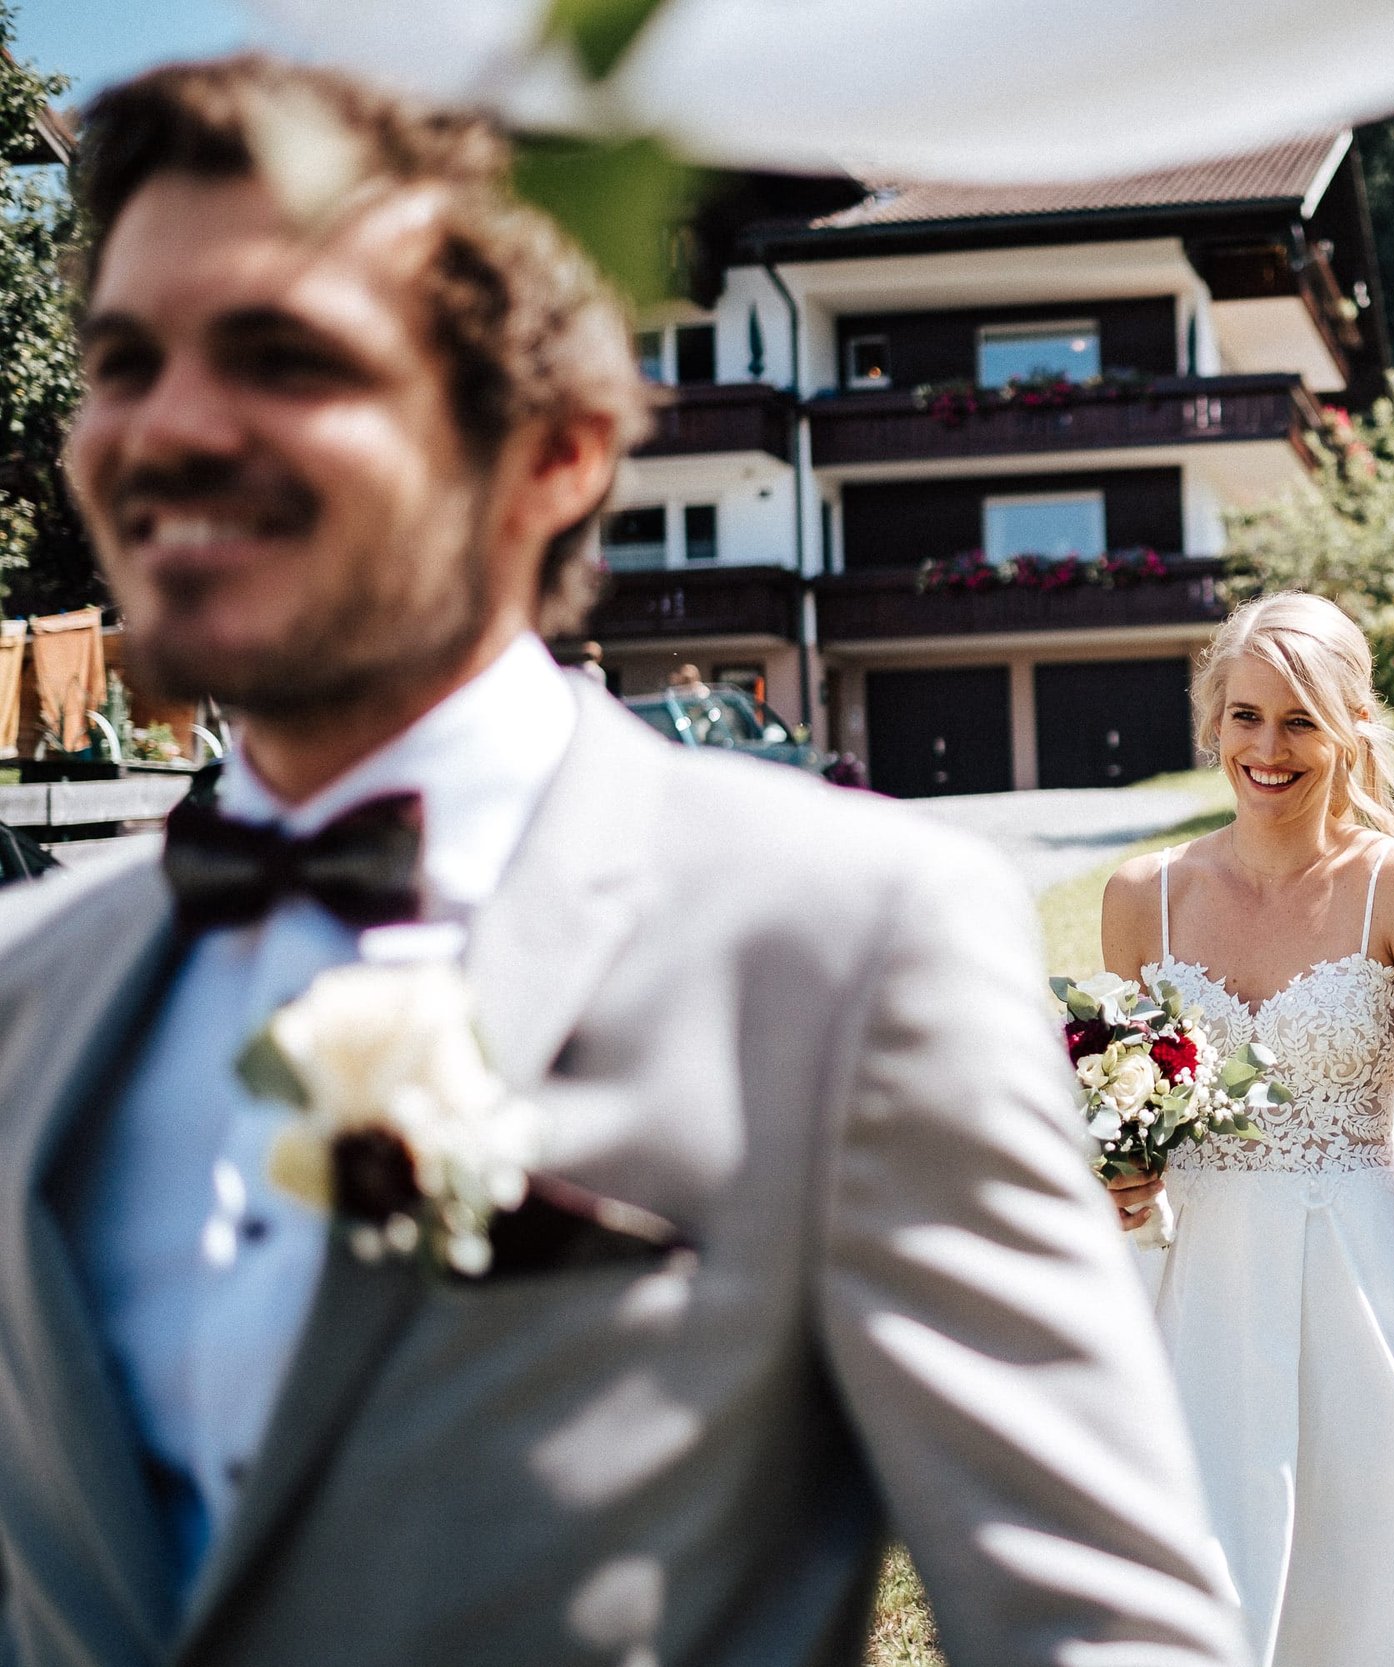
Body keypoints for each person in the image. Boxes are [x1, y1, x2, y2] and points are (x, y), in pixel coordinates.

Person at [0, 57, 1242, 1667]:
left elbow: (1107, 1632)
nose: (164, 428)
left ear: (559, 455)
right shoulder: (34, 982)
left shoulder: (850, 945)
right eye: (125, 360)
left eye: (282, 355)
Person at [1097, 593, 1394, 1666]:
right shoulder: (1142, 896)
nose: (1268, 748)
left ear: (1353, 722)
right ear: (1212, 719)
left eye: (1301, 719)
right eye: (1245, 715)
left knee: (1386, 1588)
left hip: (1361, 1284)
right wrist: (1119, 1172)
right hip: (1187, 1297)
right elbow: (1127, 1119)